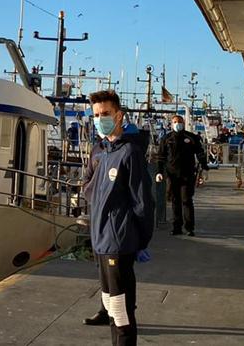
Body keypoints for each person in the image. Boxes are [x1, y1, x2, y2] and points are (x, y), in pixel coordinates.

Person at [82, 90, 154, 344]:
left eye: (105, 114)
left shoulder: (129, 153)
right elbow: (87, 186)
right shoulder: (99, 151)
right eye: (97, 115)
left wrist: (139, 241)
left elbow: (143, 202)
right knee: (110, 305)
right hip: (100, 241)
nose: (101, 119)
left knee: (122, 312)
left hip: (118, 244)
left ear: (119, 115)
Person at [154, 114, 208, 236]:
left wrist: (204, 166)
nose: (177, 123)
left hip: (187, 174)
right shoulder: (166, 139)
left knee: (186, 200)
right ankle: (176, 227)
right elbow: (161, 157)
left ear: (183, 123)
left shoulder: (191, 138)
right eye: (175, 122)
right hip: (172, 175)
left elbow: (200, 153)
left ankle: (189, 227)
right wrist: (159, 172)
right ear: (171, 124)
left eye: (179, 121)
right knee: (175, 200)